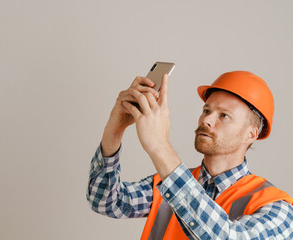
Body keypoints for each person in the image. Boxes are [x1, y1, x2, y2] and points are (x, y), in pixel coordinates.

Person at [86, 71, 293, 239]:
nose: (207, 120)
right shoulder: (166, 184)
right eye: (206, 110)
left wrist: (159, 146)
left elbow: (230, 237)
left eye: (224, 115)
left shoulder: (277, 207)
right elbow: (105, 201)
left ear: (251, 134)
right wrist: (114, 130)